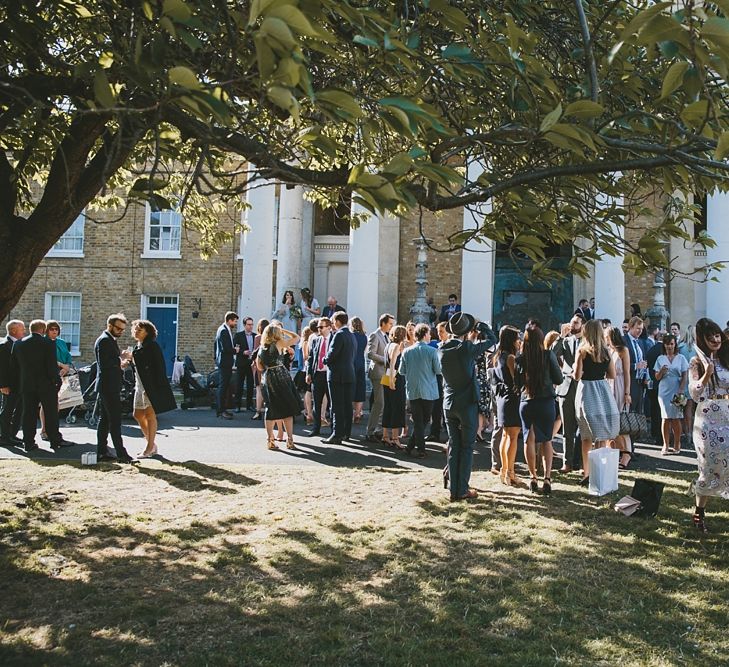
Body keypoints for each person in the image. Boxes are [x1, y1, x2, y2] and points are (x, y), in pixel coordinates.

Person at [439, 312, 493, 501]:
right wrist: (481, 326)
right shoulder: (467, 349)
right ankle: (462, 488)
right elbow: (492, 340)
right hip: (467, 404)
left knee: (454, 446)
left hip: (449, 403)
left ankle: (454, 488)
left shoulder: (442, 349)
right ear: (466, 331)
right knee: (467, 447)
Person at [687, 318, 729, 533]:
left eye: (717, 334)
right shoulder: (696, 362)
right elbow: (694, 392)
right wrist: (706, 375)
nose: (715, 339)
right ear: (702, 339)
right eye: (710, 336)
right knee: (709, 465)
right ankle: (699, 512)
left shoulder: (725, 358)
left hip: (727, 413)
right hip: (707, 418)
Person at [515, 327, 563, 495]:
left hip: (527, 401)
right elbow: (559, 378)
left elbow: (517, 382)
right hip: (546, 401)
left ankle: (532, 477)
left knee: (529, 439)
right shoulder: (548, 355)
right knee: (547, 440)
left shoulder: (521, 359)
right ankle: (547, 478)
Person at [11, 320, 71, 453]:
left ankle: (28, 442)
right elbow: (50, 366)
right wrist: (56, 381)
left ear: (31, 329)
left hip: (27, 384)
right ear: (43, 329)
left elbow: (14, 366)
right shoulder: (48, 343)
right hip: (46, 384)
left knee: (28, 414)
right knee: (51, 413)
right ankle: (55, 441)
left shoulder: (19, 344)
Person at [574, 319, 619, 485]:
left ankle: (587, 473)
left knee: (586, 435)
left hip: (586, 391)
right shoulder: (606, 352)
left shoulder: (582, 351)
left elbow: (577, 376)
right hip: (602, 390)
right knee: (600, 436)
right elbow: (612, 375)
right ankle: (598, 473)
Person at [130, 319, 177, 458]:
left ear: (148, 332)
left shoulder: (152, 346)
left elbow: (157, 367)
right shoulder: (138, 346)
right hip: (140, 385)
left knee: (150, 416)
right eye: (135, 329)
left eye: (140, 330)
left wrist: (132, 356)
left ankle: (149, 447)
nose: (136, 332)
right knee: (137, 415)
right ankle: (152, 444)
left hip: (151, 386)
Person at [95, 314, 135, 463]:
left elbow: (111, 363)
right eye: (118, 328)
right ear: (110, 325)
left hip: (108, 384)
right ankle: (121, 454)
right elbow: (105, 364)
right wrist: (121, 359)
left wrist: (121, 362)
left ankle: (102, 451)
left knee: (104, 420)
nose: (120, 331)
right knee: (114, 421)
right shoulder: (105, 340)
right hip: (108, 385)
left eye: (122, 329)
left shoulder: (108, 339)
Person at [399, 323, 441, 457]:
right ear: (424, 334)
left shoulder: (406, 351)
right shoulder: (432, 351)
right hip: (428, 390)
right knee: (423, 421)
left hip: (412, 390)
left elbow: (401, 371)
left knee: (418, 421)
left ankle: (409, 447)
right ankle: (421, 450)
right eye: (429, 333)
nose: (430, 336)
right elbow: (438, 370)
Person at [256, 323, 301, 450]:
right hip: (280, 376)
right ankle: (290, 440)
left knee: (270, 408)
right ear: (276, 333)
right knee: (287, 408)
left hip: (268, 377)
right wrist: (284, 330)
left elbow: (259, 367)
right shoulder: (279, 343)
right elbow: (297, 337)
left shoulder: (262, 348)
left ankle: (270, 440)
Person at [552, 314, 584, 473]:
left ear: (582, 325)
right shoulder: (565, 340)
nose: (573, 325)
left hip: (583, 386)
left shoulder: (586, 341)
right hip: (566, 387)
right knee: (567, 428)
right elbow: (552, 354)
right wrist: (560, 336)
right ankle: (567, 462)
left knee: (583, 427)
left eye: (576, 322)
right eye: (571, 322)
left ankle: (581, 461)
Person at [492, 325, 521, 486]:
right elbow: (516, 378)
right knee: (513, 436)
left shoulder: (498, 356)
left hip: (502, 398)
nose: (519, 342)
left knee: (505, 435)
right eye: (517, 339)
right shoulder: (510, 357)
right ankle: (510, 472)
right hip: (512, 398)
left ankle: (504, 470)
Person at [322, 312, 356, 444]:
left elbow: (331, 355)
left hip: (337, 375)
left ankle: (337, 434)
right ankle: (346, 433)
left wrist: (325, 360)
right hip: (349, 374)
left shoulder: (339, 335)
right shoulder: (351, 335)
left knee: (336, 406)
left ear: (337, 321)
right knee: (347, 405)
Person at [654, 333, 688, 455]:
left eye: (672, 344)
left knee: (676, 417)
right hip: (664, 390)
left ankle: (677, 443)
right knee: (665, 417)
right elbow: (656, 377)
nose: (669, 346)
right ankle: (665, 444)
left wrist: (681, 388)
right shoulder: (660, 359)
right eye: (667, 344)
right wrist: (661, 371)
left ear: (675, 344)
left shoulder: (681, 358)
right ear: (664, 345)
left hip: (677, 388)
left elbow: (685, 374)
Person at [39, 320, 73, 441]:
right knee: (46, 404)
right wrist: (60, 365)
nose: (54, 331)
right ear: (47, 330)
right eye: (52, 329)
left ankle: (52, 429)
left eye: (56, 329)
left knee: (56, 404)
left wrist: (66, 367)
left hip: (62, 375)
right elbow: (46, 360)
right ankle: (44, 429)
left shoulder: (61, 343)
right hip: (48, 376)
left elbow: (68, 357)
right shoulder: (43, 342)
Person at [605, 326, 633, 469]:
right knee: (610, 422)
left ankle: (626, 454)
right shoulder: (608, 351)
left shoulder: (623, 350)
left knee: (621, 422)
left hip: (620, 386)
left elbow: (627, 372)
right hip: (609, 386)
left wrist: (627, 393)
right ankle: (613, 451)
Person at [365, 313, 394, 442]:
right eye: (390, 324)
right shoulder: (375, 335)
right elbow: (370, 354)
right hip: (377, 372)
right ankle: (370, 431)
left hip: (385, 373)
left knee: (384, 402)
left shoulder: (386, 336)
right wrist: (386, 360)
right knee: (379, 403)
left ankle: (378, 430)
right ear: (383, 323)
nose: (391, 326)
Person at [0, 320, 26, 447]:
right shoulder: (5, 345)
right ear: (14, 331)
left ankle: (12, 434)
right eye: (22, 329)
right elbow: (2, 367)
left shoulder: (19, 344)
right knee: (7, 411)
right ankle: (4, 436)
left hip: (20, 384)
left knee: (18, 410)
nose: (24, 331)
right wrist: (3, 385)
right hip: (9, 385)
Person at [305, 317, 332, 437]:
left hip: (330, 374)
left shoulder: (333, 339)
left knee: (332, 403)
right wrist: (309, 373)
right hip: (318, 374)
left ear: (329, 327)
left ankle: (334, 430)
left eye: (321, 327)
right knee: (317, 402)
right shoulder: (316, 340)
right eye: (318, 327)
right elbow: (311, 358)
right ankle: (316, 428)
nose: (318, 329)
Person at [382, 325, 407, 449]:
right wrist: (393, 380)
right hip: (395, 379)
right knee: (397, 407)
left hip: (386, 378)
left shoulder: (388, 345)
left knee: (388, 406)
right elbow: (393, 365)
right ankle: (395, 438)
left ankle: (385, 435)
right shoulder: (397, 346)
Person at [214, 311, 238, 420]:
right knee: (223, 386)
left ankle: (222, 409)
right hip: (224, 362)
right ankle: (221, 410)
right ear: (229, 320)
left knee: (224, 386)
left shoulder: (222, 329)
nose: (235, 323)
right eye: (234, 321)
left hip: (223, 362)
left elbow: (216, 345)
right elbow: (225, 348)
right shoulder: (223, 330)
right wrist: (235, 350)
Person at [624, 316, 649, 415]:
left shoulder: (641, 343)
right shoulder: (624, 341)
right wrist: (635, 366)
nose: (640, 331)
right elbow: (620, 365)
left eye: (641, 329)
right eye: (638, 328)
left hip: (640, 383)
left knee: (638, 413)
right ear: (630, 327)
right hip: (630, 382)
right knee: (628, 413)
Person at [233, 317, 256, 412]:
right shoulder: (238, 335)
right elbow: (234, 349)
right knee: (239, 384)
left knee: (250, 385)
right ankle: (237, 405)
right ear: (244, 325)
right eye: (249, 324)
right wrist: (243, 352)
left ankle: (249, 405)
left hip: (252, 364)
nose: (250, 326)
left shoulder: (256, 336)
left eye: (252, 324)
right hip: (242, 362)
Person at [679, 324, 697, 442]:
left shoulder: (680, 347)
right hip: (692, 379)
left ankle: (683, 432)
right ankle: (689, 432)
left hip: (681, 380)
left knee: (680, 408)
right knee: (689, 409)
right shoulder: (696, 348)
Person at [350, 316, 368, 423]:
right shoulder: (364, 336)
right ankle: (358, 413)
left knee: (352, 387)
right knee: (360, 387)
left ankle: (353, 412)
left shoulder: (351, 336)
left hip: (352, 363)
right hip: (361, 362)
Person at [251, 318, 269, 420]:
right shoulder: (270, 338)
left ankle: (258, 412)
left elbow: (255, 353)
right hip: (267, 366)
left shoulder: (257, 337)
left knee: (258, 389)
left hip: (258, 366)